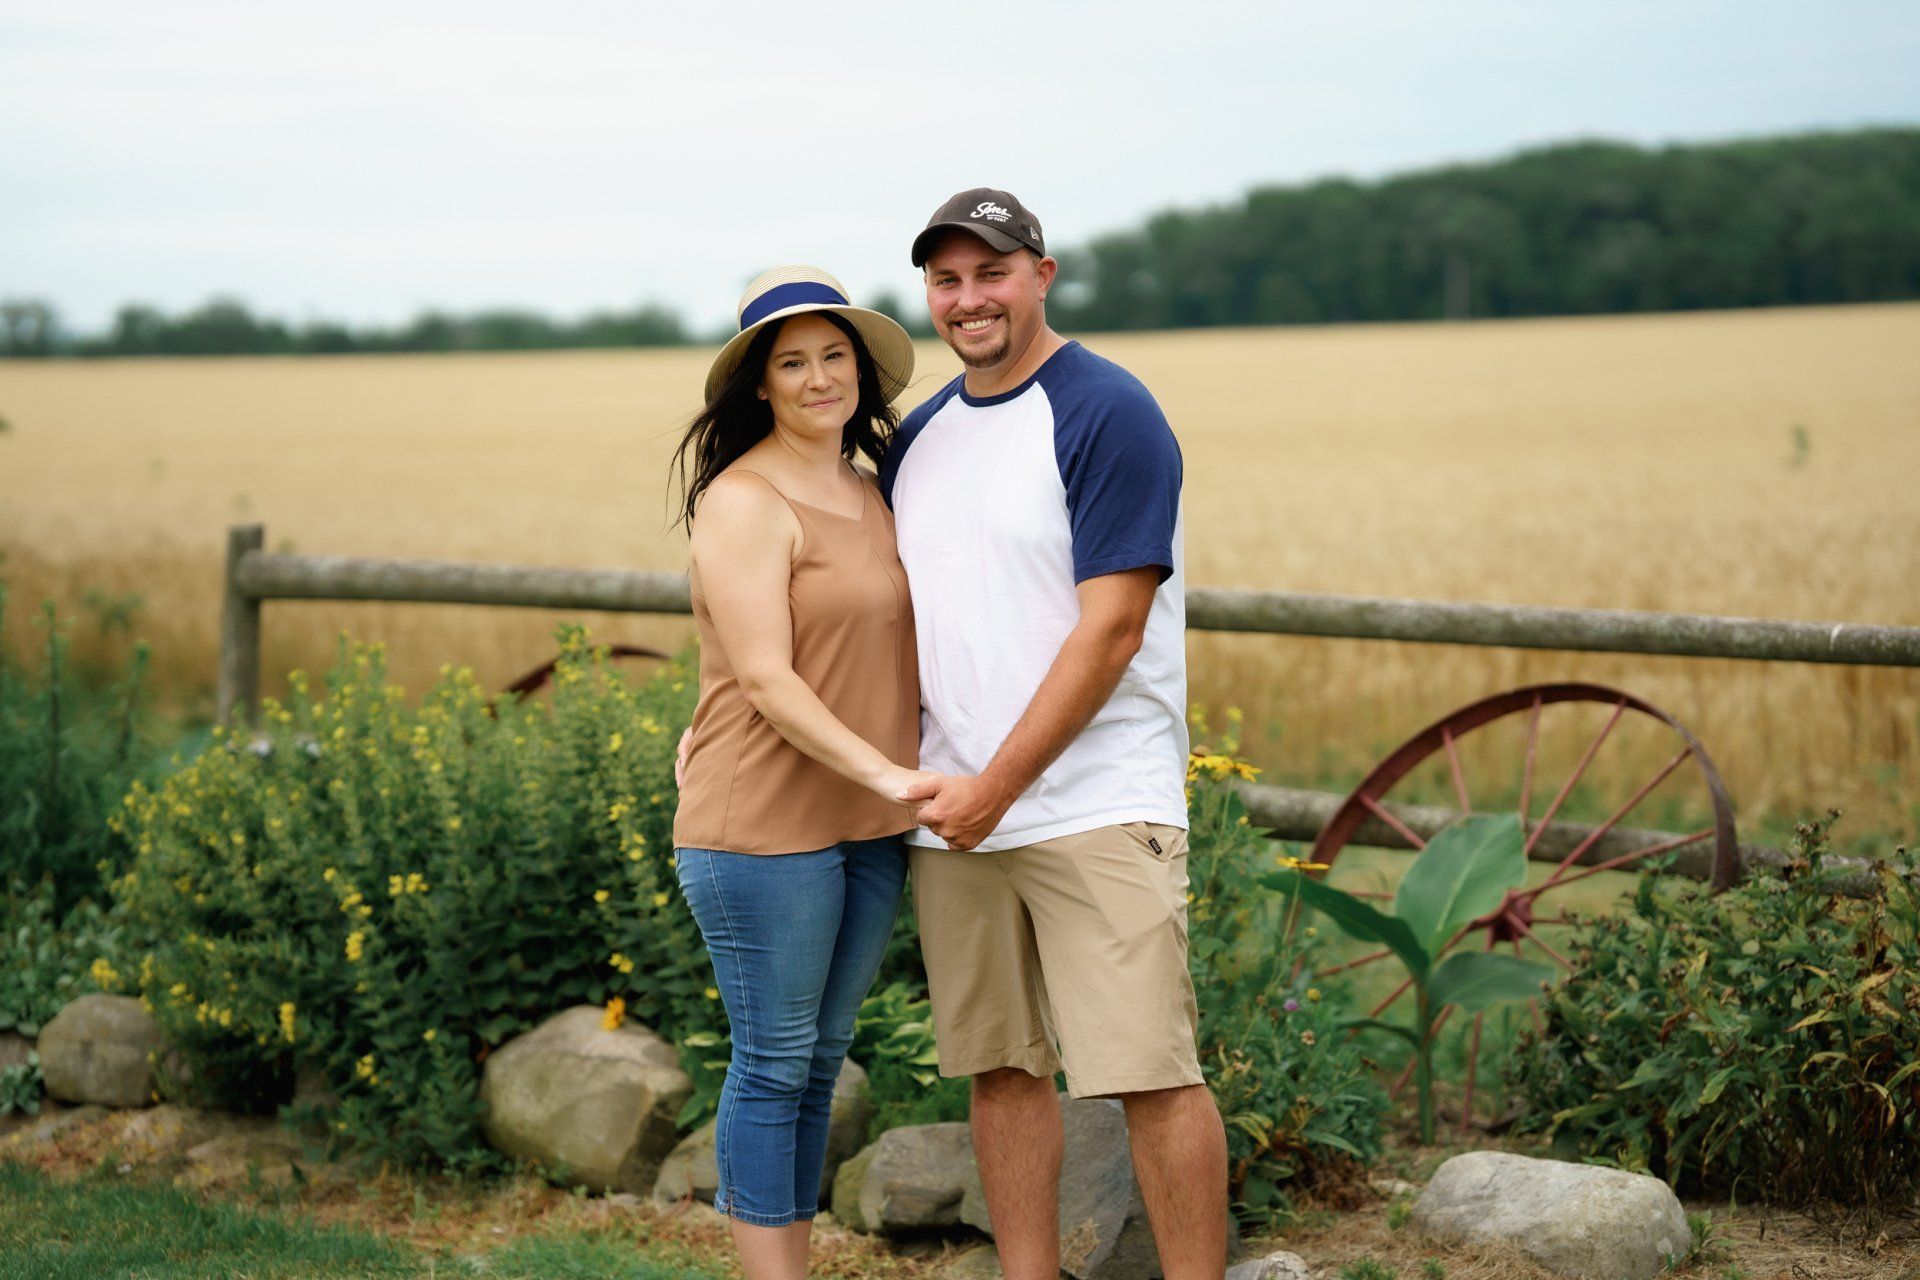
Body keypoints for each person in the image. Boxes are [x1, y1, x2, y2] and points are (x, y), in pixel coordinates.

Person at [883, 189, 1231, 1279]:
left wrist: (998, 782)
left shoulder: (1106, 411)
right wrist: (952, 789)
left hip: (1095, 799)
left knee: (1151, 1072)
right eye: (947, 279)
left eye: (991, 271)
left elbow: (1115, 625)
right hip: (957, 814)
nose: (969, 297)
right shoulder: (924, 435)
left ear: (1042, 272)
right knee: (1000, 1069)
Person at [668, 265, 932, 1280]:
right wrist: (892, 771)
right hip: (763, 821)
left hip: (867, 820)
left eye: (834, 355)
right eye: (793, 362)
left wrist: (892, 781)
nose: (820, 376)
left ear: (859, 370)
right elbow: (768, 679)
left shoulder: (873, 490)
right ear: (762, 386)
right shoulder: (743, 500)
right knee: (773, 1060)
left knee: (821, 1059)